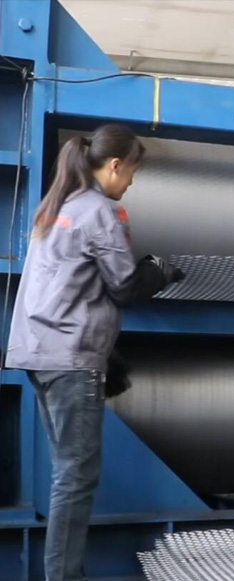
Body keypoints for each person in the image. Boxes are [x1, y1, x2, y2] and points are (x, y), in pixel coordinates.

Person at [4, 124, 184, 581]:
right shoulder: (102, 211)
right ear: (116, 165)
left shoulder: (59, 207)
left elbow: (67, 290)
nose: (132, 183)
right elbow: (123, 287)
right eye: (133, 172)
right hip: (70, 358)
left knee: (68, 473)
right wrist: (159, 271)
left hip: (39, 353)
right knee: (76, 476)